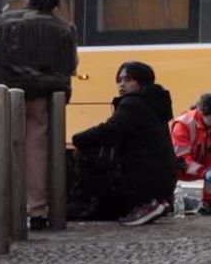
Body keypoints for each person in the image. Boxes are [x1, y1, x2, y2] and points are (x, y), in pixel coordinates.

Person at [0, 0, 79, 230]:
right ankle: (37, 209)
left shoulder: (3, 21)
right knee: (37, 151)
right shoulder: (64, 28)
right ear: (56, 1)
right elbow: (72, 64)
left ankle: (2, 205)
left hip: (5, 93)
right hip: (44, 96)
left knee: (4, 147)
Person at [71, 61, 175, 226]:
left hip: (141, 181)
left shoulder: (133, 103)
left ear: (141, 81)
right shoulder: (154, 102)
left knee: (82, 156)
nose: (121, 84)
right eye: (119, 80)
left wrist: (78, 139)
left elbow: (109, 130)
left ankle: (143, 204)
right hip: (162, 182)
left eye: (128, 80)